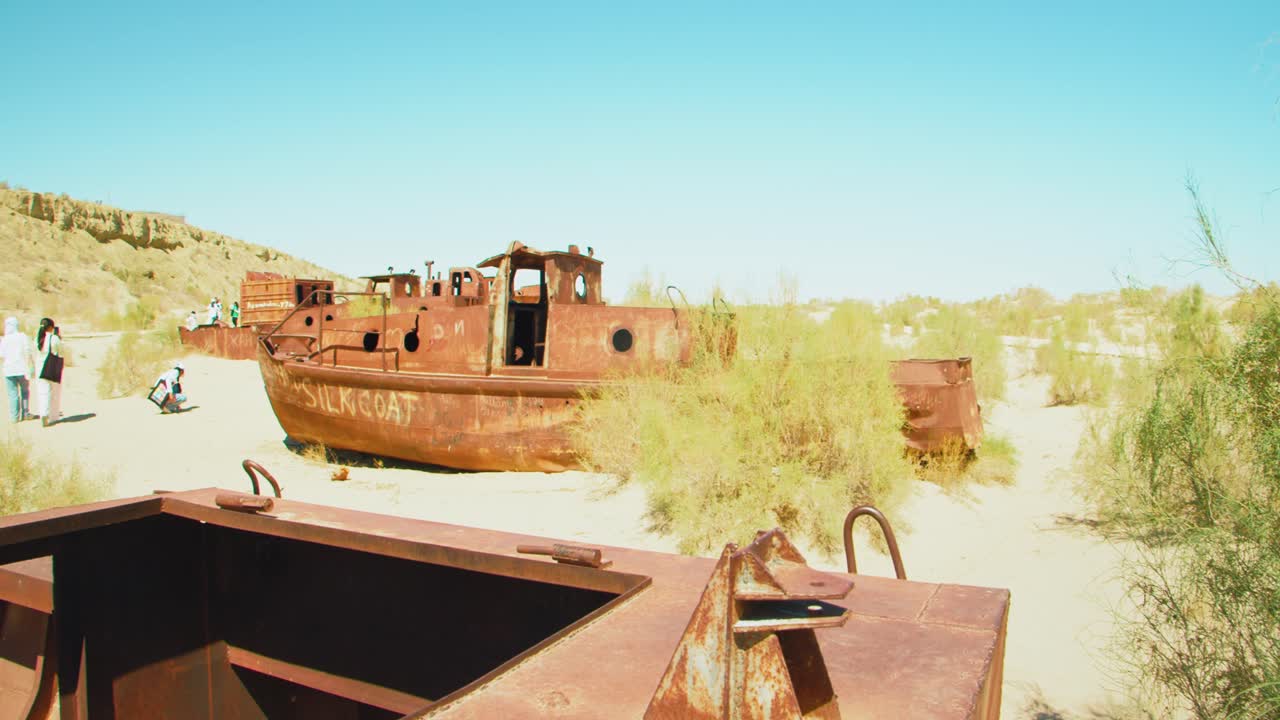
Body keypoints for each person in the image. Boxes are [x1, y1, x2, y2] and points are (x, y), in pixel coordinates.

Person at [0, 318, 33, 422]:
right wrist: (31, 365)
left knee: (12, 394)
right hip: (22, 369)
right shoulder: (23, 337)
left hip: (9, 370)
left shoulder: (5, 339)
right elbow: (28, 352)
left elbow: (1, 355)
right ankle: (26, 413)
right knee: (25, 392)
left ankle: (14, 417)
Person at [33, 318, 62, 427]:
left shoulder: (36, 339)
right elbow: (61, 350)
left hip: (39, 368)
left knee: (42, 392)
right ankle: (53, 416)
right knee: (54, 392)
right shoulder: (53, 338)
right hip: (51, 367)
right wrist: (59, 338)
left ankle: (43, 413)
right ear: (50, 327)